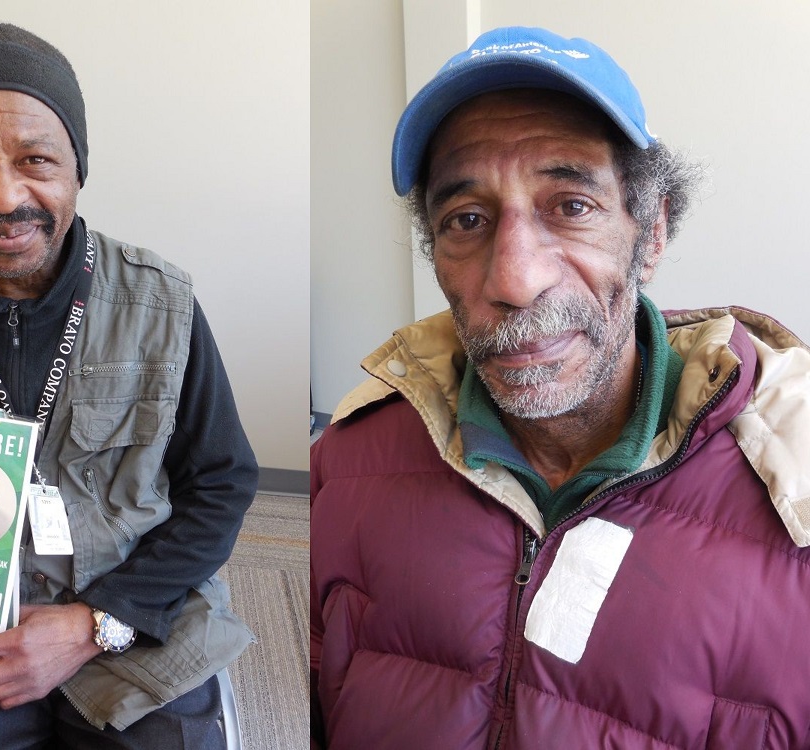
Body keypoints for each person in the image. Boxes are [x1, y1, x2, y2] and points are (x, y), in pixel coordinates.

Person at [310, 25, 810, 749]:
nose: (514, 278)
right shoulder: (351, 460)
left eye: (571, 206)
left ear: (653, 232)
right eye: (468, 220)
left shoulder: (791, 501)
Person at [0, 22, 258, 750]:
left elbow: (223, 482)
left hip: (135, 611)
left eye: (35, 159)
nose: (3, 196)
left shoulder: (161, 307)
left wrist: (95, 622)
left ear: (78, 164)